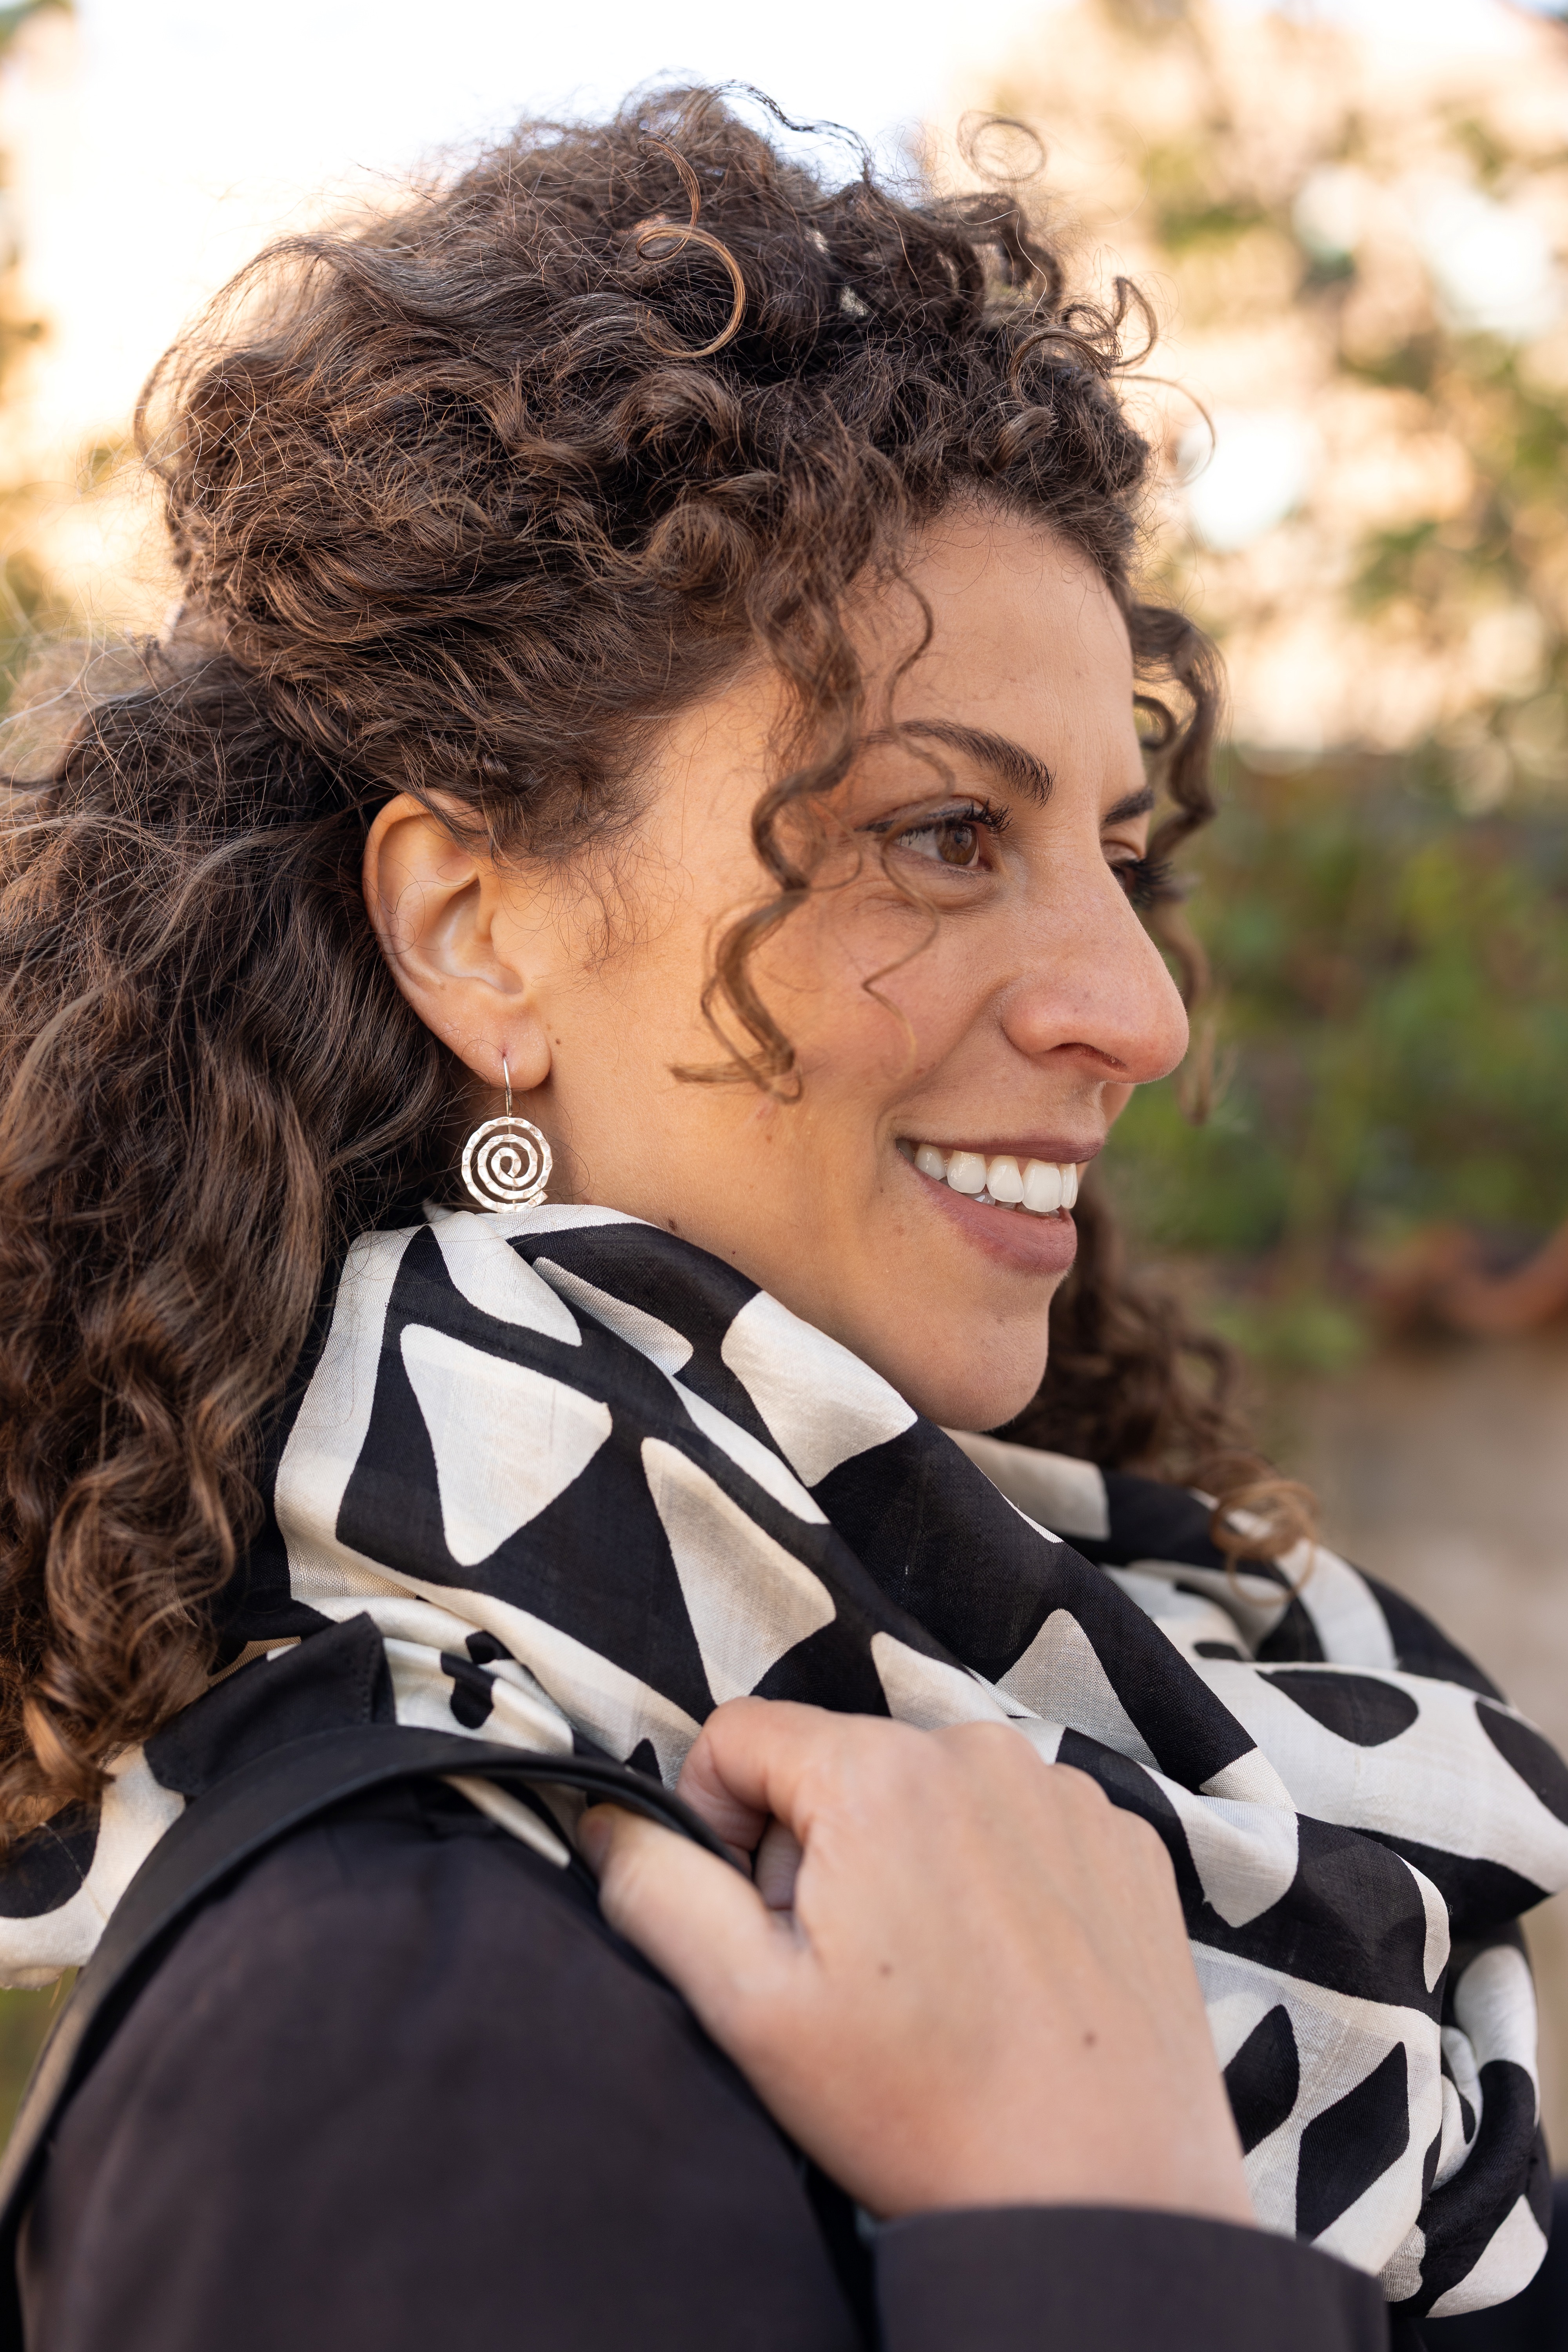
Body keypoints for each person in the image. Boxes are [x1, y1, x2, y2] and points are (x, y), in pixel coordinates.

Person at [0, 90, 1563, 2349]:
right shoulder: (378, 2022)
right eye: (942, 833)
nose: (1138, 1011)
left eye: (1116, 853)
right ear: (474, 930)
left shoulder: (1154, 1749)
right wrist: (1108, 2230)